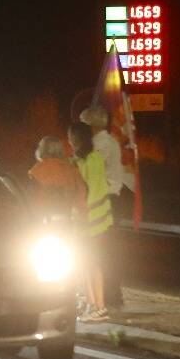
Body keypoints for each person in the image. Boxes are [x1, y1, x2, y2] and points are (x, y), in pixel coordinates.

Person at [80, 105, 134, 310]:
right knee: (105, 250)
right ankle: (108, 294)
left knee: (102, 251)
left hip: (105, 199)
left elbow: (91, 172)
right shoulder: (107, 141)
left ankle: (109, 295)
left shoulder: (100, 145)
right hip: (108, 199)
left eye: (83, 125)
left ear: (91, 126)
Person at [68, 121, 112, 320]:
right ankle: (99, 306)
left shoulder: (76, 164)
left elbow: (77, 194)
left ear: (74, 140)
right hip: (102, 220)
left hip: (84, 222)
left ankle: (93, 306)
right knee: (95, 265)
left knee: (85, 265)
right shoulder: (97, 159)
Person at [27, 136, 88, 222]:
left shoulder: (35, 172)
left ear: (41, 150)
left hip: (44, 221)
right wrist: (82, 217)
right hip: (68, 219)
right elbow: (81, 195)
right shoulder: (72, 171)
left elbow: (31, 199)